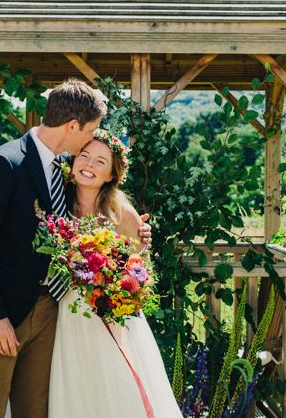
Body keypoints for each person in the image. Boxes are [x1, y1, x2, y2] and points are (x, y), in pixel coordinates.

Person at [0, 79, 151, 418]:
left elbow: (96, 208)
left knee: (37, 411)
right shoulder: (5, 163)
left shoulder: (65, 168)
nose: (91, 138)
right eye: (91, 129)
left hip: (47, 314)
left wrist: (135, 232)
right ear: (72, 125)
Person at [49, 130, 182, 418]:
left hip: (110, 316)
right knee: (74, 382)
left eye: (100, 161)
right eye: (84, 156)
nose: (89, 165)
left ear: (111, 175)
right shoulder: (56, 202)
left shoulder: (122, 212)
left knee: (116, 383)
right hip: (65, 313)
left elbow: (139, 272)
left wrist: (113, 291)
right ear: (72, 161)